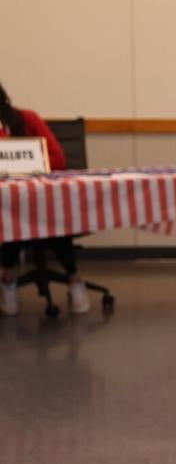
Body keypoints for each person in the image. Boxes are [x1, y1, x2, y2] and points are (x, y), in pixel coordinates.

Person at [0, 83, 91, 315]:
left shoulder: (26, 119)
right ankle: (8, 278)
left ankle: (73, 278)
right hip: (7, 203)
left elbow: (58, 158)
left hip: (39, 198)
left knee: (52, 219)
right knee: (12, 220)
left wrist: (30, 164)